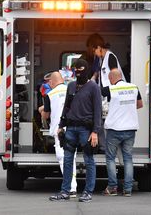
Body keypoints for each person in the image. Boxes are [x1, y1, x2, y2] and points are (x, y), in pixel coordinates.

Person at [49, 59, 102, 203]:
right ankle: (65, 191)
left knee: (89, 160)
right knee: (67, 161)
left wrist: (95, 131)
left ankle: (88, 192)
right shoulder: (71, 86)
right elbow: (66, 107)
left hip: (86, 129)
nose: (78, 72)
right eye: (76, 70)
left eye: (81, 69)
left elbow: (98, 111)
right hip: (70, 128)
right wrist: (61, 125)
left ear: (87, 69)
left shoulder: (93, 87)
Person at [102, 69, 143, 197]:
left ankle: (113, 188)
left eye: (110, 79)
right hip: (130, 129)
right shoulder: (134, 87)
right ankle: (128, 189)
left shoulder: (110, 89)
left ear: (112, 78)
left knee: (110, 158)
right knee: (128, 159)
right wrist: (127, 108)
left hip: (114, 130)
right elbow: (140, 104)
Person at [38, 72, 78, 197]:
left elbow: (47, 115)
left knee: (62, 158)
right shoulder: (72, 91)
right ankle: (73, 186)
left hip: (60, 130)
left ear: (51, 82)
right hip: (74, 128)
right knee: (73, 157)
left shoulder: (50, 94)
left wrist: (41, 111)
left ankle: (71, 187)